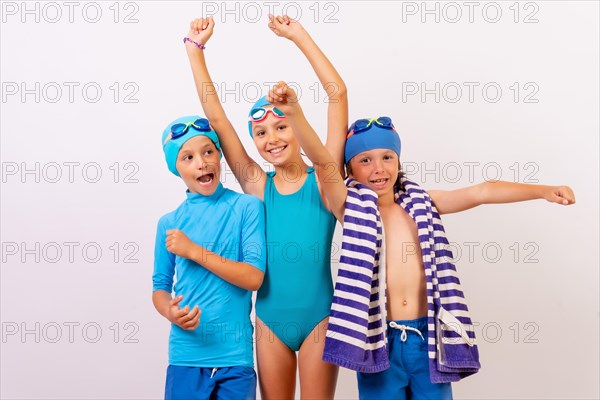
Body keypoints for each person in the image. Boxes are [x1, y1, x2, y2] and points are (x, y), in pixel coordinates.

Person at [264, 82, 576, 400]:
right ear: (350, 170)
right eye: (365, 160)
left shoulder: (421, 203)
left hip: (428, 340)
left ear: (399, 162)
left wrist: (542, 191)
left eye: (387, 157)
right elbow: (321, 163)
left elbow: (482, 191)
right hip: (379, 342)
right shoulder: (348, 207)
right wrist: (295, 113)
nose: (378, 168)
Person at [183, 15, 348, 399]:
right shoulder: (258, 185)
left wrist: (298, 36)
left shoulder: (325, 179)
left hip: (321, 318)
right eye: (260, 133)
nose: (271, 139)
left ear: (295, 125)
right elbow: (218, 121)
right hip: (270, 320)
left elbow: (337, 94)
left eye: (281, 126)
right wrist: (195, 51)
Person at [152, 115, 267, 400]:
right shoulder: (169, 223)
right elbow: (160, 287)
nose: (201, 162)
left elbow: (254, 278)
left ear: (219, 155)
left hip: (235, 358)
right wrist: (170, 312)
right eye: (187, 157)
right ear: (175, 168)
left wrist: (195, 251)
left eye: (208, 151)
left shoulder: (246, 207)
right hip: (186, 356)